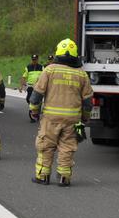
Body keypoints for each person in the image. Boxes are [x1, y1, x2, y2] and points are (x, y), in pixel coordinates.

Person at [29, 38, 93, 187]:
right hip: (73, 119)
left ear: (58, 53)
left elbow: (37, 94)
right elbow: (88, 102)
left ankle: (42, 176)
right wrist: (85, 118)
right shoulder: (82, 74)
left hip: (51, 118)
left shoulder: (49, 70)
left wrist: (34, 111)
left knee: (46, 146)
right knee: (67, 148)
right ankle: (64, 177)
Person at [22, 54, 44, 123]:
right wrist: (22, 85)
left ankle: (33, 115)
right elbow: (24, 76)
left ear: (38, 59)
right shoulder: (28, 67)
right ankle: (34, 110)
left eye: (35, 60)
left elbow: (44, 76)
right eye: (33, 60)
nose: (34, 61)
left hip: (38, 87)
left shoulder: (41, 67)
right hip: (30, 86)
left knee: (36, 101)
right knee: (28, 99)